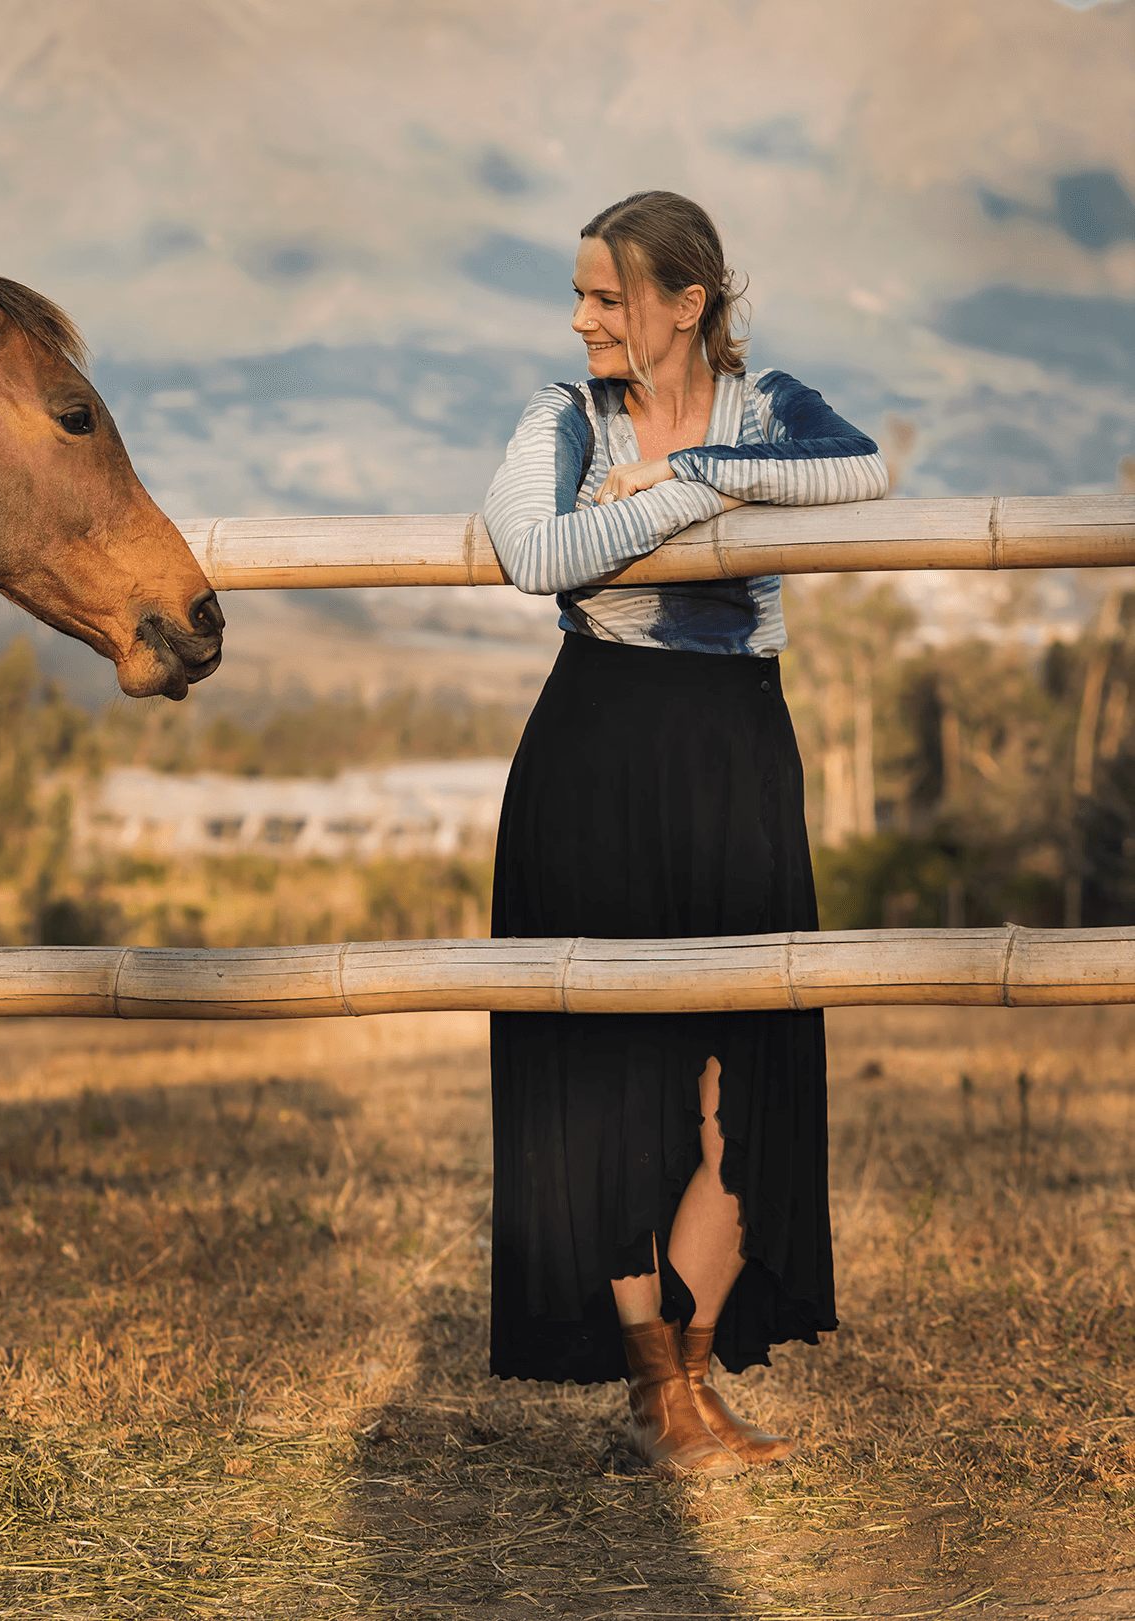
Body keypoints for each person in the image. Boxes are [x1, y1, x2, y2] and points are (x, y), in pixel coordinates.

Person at [482, 190, 888, 1479]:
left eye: (607, 297)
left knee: (740, 1077)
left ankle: (697, 1378)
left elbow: (866, 468)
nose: (584, 319)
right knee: (603, 1082)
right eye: (584, 296)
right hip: (595, 752)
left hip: (736, 760)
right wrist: (670, 512)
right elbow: (532, 549)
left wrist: (699, 474)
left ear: (684, 303)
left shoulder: (766, 409)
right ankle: (656, 1395)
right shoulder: (566, 416)